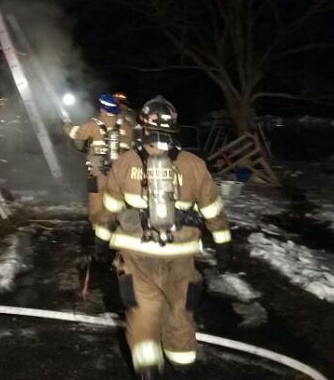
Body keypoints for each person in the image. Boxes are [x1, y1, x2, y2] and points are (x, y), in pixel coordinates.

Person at [90, 95, 233, 378]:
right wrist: (224, 245)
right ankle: (183, 364)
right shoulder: (194, 164)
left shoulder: (125, 162)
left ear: (143, 125)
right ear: (175, 126)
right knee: (180, 310)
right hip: (181, 254)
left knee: (143, 313)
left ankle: (148, 371)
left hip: (137, 254)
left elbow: (108, 210)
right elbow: (213, 211)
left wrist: (100, 244)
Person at [64, 93, 133, 223]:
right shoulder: (127, 126)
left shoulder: (94, 124)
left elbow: (76, 134)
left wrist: (67, 124)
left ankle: (99, 227)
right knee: (117, 202)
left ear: (102, 109)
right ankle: (117, 225)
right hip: (121, 173)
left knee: (96, 203)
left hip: (98, 173)